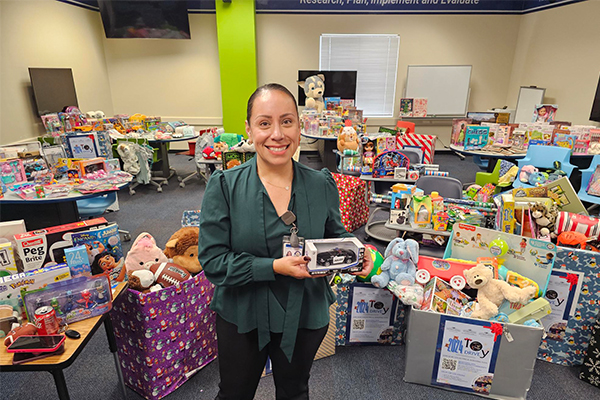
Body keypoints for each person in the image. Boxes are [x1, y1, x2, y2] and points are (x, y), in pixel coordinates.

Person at [198, 83, 373, 400]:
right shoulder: (224, 185)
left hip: (303, 312)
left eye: (287, 121)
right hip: (242, 313)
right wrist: (273, 267)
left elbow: (335, 237)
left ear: (299, 125)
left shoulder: (321, 184)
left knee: (294, 391)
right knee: (234, 393)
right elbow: (213, 262)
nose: (277, 134)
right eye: (264, 123)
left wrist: (357, 255)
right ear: (249, 130)